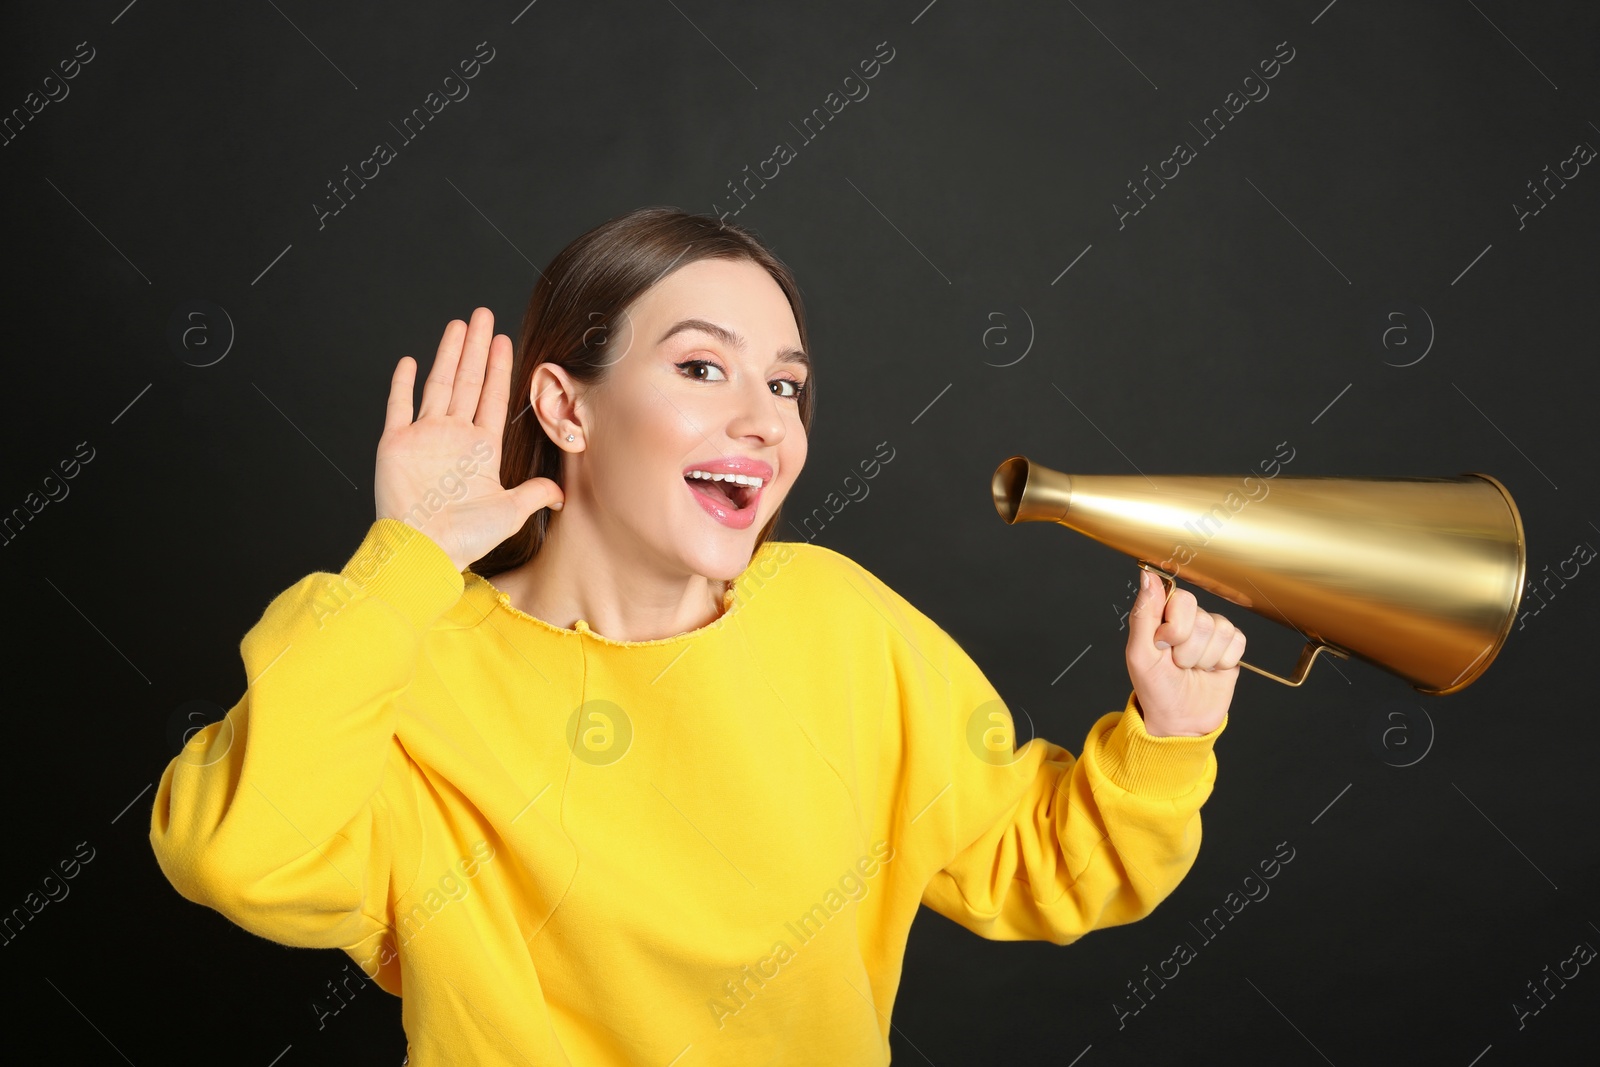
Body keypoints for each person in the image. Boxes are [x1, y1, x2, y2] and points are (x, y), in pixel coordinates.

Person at [149, 206, 1243, 1065]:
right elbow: (236, 852)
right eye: (701, 367)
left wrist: (1166, 733)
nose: (765, 419)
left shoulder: (839, 623)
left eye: (786, 383)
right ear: (567, 409)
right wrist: (407, 564)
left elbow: (1044, 861)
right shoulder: (415, 664)